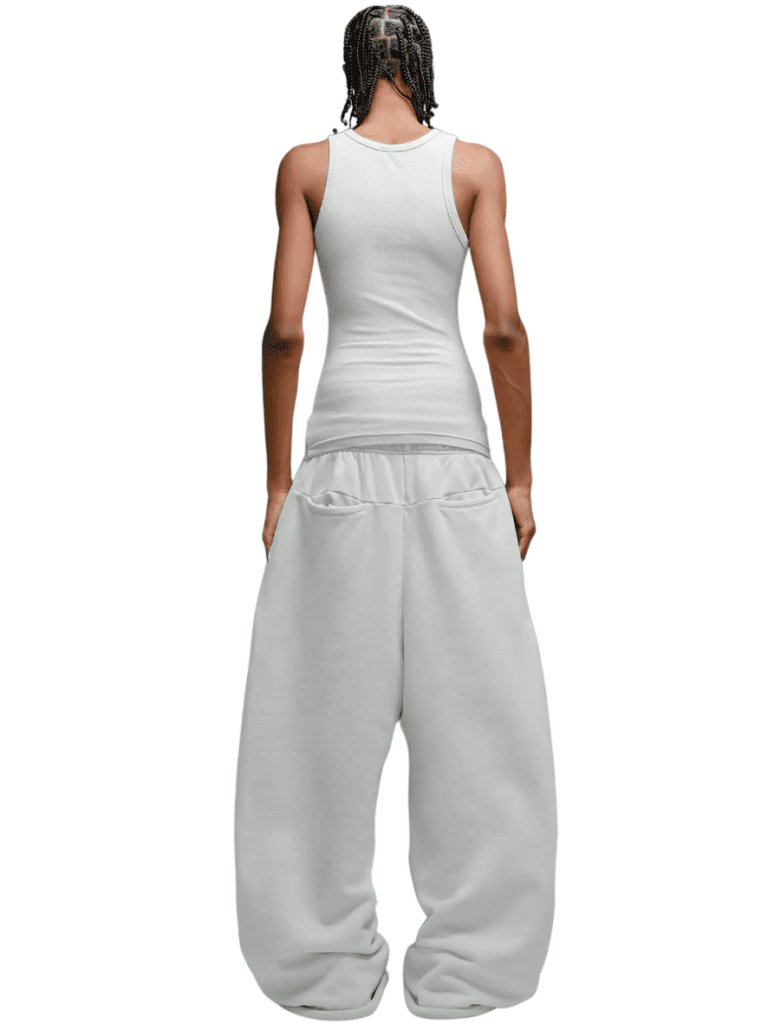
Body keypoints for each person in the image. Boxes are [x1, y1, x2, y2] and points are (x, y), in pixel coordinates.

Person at [234, 7, 557, 1020]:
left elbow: (284, 331)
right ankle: (473, 972)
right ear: (422, 62)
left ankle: (320, 974)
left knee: (311, 723)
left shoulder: (307, 168)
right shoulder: (473, 168)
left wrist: (276, 479)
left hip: (339, 460)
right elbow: (504, 328)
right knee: (484, 723)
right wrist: (520, 478)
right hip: (457, 461)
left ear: (351, 64)